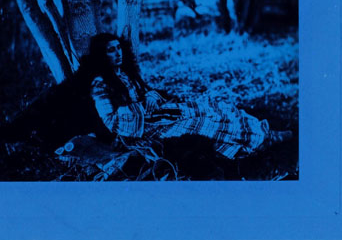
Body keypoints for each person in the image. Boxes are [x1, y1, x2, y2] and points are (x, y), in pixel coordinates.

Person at [77, 33, 291, 159]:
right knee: (201, 122)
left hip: (157, 117)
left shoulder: (124, 73)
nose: (118, 53)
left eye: (118, 48)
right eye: (110, 51)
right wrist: (143, 106)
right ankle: (257, 143)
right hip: (141, 131)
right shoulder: (100, 84)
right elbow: (110, 121)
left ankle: (264, 133)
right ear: (101, 55)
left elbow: (144, 95)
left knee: (213, 107)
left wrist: (150, 95)